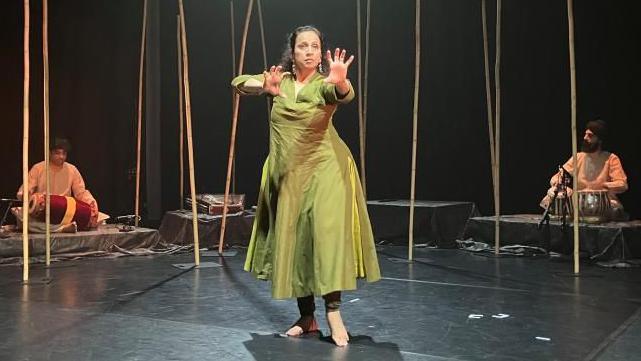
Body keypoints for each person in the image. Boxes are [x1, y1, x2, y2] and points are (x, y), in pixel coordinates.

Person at [232, 25, 381, 346]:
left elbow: (343, 94)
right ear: (293, 51)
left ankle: (334, 312)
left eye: (315, 46)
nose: (309, 51)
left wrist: (340, 81)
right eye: (303, 46)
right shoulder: (279, 81)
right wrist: (263, 87)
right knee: (297, 243)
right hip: (287, 175)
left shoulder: (324, 84)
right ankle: (306, 316)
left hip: (326, 172)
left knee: (325, 240)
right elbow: (238, 83)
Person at [541, 120, 629, 220]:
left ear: (599, 139)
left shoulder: (611, 158)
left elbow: (622, 184)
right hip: (579, 202)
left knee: (614, 210)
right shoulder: (578, 157)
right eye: (585, 134)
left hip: (603, 202)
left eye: (590, 135)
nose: (585, 138)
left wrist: (604, 185)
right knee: (554, 194)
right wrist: (557, 182)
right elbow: (560, 175)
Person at [17, 137, 99, 226]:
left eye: (64, 153)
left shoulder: (72, 169)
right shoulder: (38, 168)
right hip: (43, 211)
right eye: (57, 153)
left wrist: (91, 203)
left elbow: (80, 192)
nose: (61, 157)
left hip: (64, 212)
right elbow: (27, 189)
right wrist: (27, 195)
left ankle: (63, 227)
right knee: (22, 216)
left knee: (99, 218)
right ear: (49, 153)